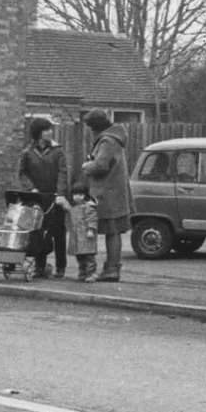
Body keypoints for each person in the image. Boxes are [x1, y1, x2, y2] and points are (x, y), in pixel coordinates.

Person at [80, 109, 134, 283]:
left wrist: (86, 166)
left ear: (96, 127)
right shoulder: (113, 138)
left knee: (111, 231)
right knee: (113, 230)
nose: (89, 131)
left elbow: (101, 165)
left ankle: (110, 269)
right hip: (114, 192)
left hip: (108, 194)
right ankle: (111, 268)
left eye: (90, 127)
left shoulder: (107, 141)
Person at [18, 116, 68, 279]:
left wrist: (60, 194)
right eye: (46, 129)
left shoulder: (58, 151)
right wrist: (30, 188)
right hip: (37, 198)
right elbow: (22, 173)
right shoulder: (27, 152)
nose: (50, 132)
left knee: (58, 233)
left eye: (50, 129)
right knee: (38, 232)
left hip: (55, 198)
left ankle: (60, 267)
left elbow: (63, 173)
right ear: (39, 133)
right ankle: (40, 267)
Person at [61, 177, 100, 282]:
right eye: (75, 194)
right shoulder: (76, 207)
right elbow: (73, 215)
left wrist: (91, 229)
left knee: (89, 257)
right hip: (78, 237)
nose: (77, 197)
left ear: (84, 195)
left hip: (86, 236)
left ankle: (91, 273)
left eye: (80, 194)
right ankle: (83, 273)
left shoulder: (88, 207)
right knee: (80, 257)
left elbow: (92, 219)